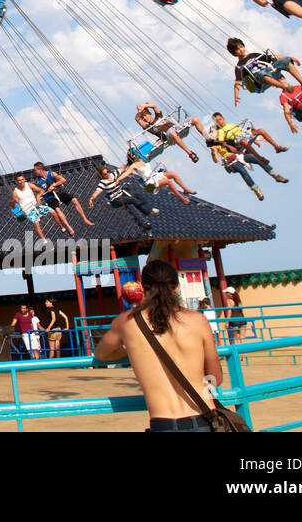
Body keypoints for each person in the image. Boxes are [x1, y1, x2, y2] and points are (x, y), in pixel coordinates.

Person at [92, 259, 223, 432]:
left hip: (163, 423)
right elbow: (215, 377)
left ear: (142, 287)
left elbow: (101, 354)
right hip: (202, 419)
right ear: (177, 287)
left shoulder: (126, 322)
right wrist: (204, 392)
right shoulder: (198, 321)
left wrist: (132, 351)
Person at [226, 37, 302, 105]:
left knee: (285, 62)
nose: (241, 50)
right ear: (234, 53)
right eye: (237, 49)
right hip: (260, 82)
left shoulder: (253, 55)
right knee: (262, 73)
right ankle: (284, 87)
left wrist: (290, 57)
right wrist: (236, 96)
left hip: (271, 72)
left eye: (241, 47)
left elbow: (273, 57)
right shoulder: (239, 66)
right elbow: (237, 83)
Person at [88, 163, 159, 231]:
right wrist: (92, 198)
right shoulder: (103, 182)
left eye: (107, 172)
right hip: (116, 199)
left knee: (137, 195)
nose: (107, 175)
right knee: (132, 200)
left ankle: (150, 208)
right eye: (105, 174)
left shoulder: (112, 175)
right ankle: (148, 212)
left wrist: (129, 163)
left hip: (122, 193)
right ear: (102, 176)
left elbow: (121, 169)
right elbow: (97, 191)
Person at [134, 103, 206, 163]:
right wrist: (139, 112)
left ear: (149, 113)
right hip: (169, 137)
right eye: (143, 118)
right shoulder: (149, 127)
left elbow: (154, 106)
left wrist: (144, 106)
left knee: (195, 119)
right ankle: (190, 153)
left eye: (145, 115)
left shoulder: (158, 116)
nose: (145, 118)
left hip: (177, 129)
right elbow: (137, 119)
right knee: (172, 133)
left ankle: (208, 139)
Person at [125, 149, 196, 205]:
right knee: (169, 182)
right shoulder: (133, 165)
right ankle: (182, 198)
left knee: (173, 174)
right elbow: (125, 173)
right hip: (149, 186)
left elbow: (151, 150)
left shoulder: (143, 159)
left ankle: (186, 189)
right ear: (134, 156)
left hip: (154, 177)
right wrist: (118, 180)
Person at [30, 161, 84, 232]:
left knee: (74, 200)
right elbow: (40, 191)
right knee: (57, 210)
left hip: (58, 193)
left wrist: (53, 185)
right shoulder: (38, 180)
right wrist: (38, 198)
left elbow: (62, 180)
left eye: (35, 170)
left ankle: (84, 218)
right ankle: (68, 227)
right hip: (49, 197)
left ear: (40, 169)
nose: (34, 172)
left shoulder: (51, 174)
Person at [11, 173, 51, 242]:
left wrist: (38, 197)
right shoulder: (15, 192)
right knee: (36, 222)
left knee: (52, 211)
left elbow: (41, 190)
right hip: (28, 210)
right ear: (16, 182)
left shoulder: (29, 185)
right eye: (19, 180)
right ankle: (44, 240)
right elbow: (13, 206)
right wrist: (14, 201)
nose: (21, 182)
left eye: (22, 179)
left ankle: (63, 228)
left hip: (35, 206)